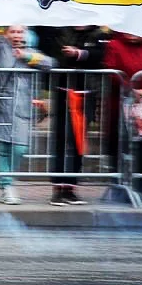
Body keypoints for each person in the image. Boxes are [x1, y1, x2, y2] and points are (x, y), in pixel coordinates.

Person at [35, 25, 109, 206]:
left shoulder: (98, 34)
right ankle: (58, 188)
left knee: (77, 143)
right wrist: (68, 55)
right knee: (60, 141)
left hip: (86, 95)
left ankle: (71, 188)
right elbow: (53, 57)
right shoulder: (60, 31)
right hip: (64, 93)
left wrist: (79, 54)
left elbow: (100, 56)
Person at [0, 25, 55, 205]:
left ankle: (3, 178)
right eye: (13, 31)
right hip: (1, 105)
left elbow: (50, 64)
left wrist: (26, 56)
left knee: (19, 149)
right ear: (6, 33)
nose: (16, 35)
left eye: (20, 32)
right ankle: (7, 186)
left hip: (23, 108)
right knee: (3, 149)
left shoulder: (32, 52)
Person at [104, 32, 142, 198]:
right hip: (120, 104)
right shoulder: (114, 45)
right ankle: (120, 185)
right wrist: (130, 89)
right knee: (119, 145)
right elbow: (112, 72)